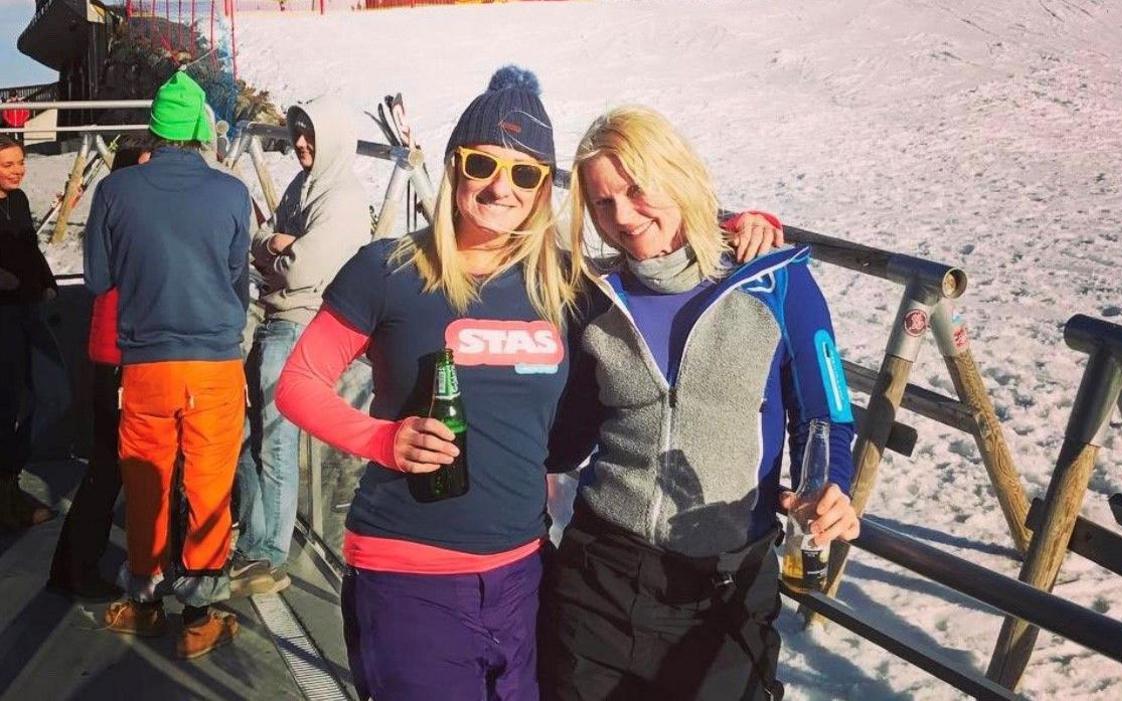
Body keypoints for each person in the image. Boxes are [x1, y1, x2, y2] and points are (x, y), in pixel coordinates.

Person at [274, 67, 783, 700]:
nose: (499, 187)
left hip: (524, 572)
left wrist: (737, 226)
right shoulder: (390, 268)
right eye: (483, 163)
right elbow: (298, 383)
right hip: (408, 571)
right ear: (456, 165)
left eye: (524, 173)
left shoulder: (565, 283)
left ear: (544, 188)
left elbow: (655, 249)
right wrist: (383, 440)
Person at [539, 105, 861, 700]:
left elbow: (825, 414)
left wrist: (828, 486)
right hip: (598, 576)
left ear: (677, 174)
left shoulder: (775, 280)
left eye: (638, 190)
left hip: (723, 587)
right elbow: (568, 435)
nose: (625, 218)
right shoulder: (596, 296)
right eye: (604, 203)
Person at [83, 71, 251, 659]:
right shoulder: (232, 193)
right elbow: (237, 278)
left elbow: (99, 280)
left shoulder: (115, 191)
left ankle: (146, 603)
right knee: (208, 489)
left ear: (153, 127)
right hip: (215, 367)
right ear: (201, 130)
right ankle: (201, 616)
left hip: (145, 366)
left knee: (146, 482)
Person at [231, 97, 371, 597]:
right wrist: (276, 245)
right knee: (253, 435)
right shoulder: (302, 186)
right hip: (276, 318)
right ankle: (254, 539)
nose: (301, 142)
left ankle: (269, 554)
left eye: (310, 133)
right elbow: (267, 241)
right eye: (297, 132)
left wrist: (279, 253)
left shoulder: (342, 199)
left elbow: (305, 268)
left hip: (300, 326)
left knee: (276, 439)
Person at [47, 136, 153, 601]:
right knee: (108, 467)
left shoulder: (114, 215)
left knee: (110, 465)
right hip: (119, 358)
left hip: (113, 356)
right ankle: (74, 568)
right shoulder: (126, 221)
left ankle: (75, 565)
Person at [0, 134, 59, 531]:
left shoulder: (17, 201)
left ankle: (9, 482)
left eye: (21, 162)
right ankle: (7, 498)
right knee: (7, 405)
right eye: (8, 165)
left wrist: (48, 281)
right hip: (3, 316)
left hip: (28, 311)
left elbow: (32, 249)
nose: (18, 170)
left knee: (45, 395)